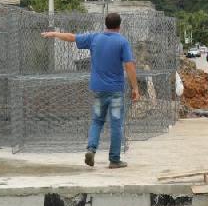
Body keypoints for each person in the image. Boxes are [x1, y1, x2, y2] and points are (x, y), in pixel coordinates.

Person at [42, 12, 140, 168]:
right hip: (115, 92)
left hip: (99, 91)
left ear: (105, 24)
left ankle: (91, 149)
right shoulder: (122, 42)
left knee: (97, 121)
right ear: (119, 26)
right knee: (116, 124)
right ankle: (114, 160)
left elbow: (71, 37)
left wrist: (54, 33)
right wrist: (135, 88)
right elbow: (129, 66)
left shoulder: (95, 38)